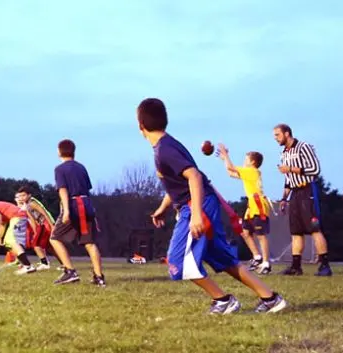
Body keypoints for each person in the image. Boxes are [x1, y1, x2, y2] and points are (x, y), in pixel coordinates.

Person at [138, 98, 286, 314]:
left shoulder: (164, 150)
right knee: (223, 259)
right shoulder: (166, 146)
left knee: (178, 260)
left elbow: (194, 178)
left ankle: (223, 300)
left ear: (140, 124)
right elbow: (178, 185)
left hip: (198, 206)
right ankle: (271, 299)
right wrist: (163, 208)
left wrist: (196, 215)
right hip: (200, 203)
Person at [274, 124, 332, 276]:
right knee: (296, 231)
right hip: (295, 192)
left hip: (307, 190)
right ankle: (296, 266)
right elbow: (288, 179)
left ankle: (324, 265)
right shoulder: (284, 153)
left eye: (278, 135)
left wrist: (292, 169)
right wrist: (284, 198)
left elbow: (315, 169)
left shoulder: (303, 147)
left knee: (314, 228)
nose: (276, 138)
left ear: (287, 134)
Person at [48, 139, 106, 286]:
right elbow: (87, 189)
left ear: (59, 151)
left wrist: (66, 211)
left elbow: (63, 189)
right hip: (86, 205)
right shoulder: (81, 167)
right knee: (90, 243)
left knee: (54, 238)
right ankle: (99, 277)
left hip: (74, 205)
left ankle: (70, 271)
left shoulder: (60, 169)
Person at [216, 144, 274, 274]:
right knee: (245, 232)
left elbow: (231, 167)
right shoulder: (249, 173)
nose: (244, 161)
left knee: (261, 235)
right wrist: (224, 160)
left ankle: (266, 263)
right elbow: (231, 173)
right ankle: (257, 257)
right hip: (251, 205)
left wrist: (226, 155)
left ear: (253, 162)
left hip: (258, 204)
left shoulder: (252, 171)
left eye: (246, 159)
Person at [15, 186, 61, 270]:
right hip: (42, 224)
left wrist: (52, 225)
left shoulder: (32, 203)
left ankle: (45, 263)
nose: (22, 198)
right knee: (50, 247)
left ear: (29, 195)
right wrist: (35, 230)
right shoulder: (27, 205)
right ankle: (63, 263)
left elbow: (44, 213)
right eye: (20, 196)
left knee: (35, 243)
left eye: (24, 195)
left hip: (46, 224)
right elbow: (32, 219)